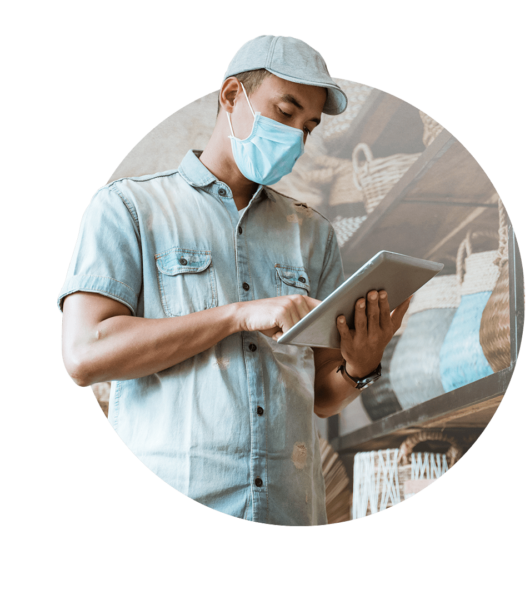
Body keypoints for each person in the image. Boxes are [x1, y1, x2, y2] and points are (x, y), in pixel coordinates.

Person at [57, 35, 411, 527]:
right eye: (284, 112)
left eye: (308, 127)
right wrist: (237, 315)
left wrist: (361, 365)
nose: (295, 137)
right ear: (230, 97)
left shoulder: (314, 235)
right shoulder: (129, 209)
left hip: (288, 511)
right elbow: (85, 355)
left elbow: (324, 395)